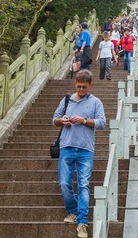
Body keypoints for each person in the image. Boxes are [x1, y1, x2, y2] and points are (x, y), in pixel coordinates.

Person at [52, 70, 106, 238]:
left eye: (84, 87)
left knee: (83, 185)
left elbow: (102, 123)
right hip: (66, 146)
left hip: (85, 149)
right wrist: (62, 121)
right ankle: (72, 211)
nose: (81, 90)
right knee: (64, 183)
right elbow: (54, 119)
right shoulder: (67, 100)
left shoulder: (96, 102)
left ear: (90, 85)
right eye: (78, 86)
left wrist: (83, 120)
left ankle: (82, 222)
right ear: (75, 84)